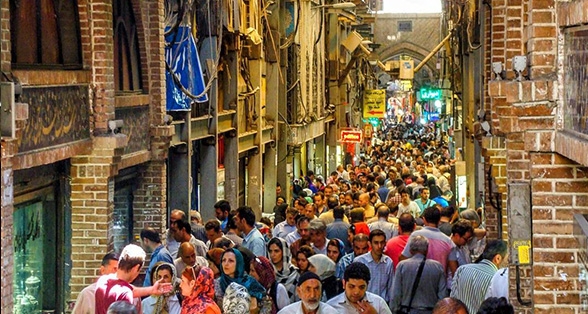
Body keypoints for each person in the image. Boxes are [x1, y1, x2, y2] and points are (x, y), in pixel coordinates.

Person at [95, 244, 169, 314]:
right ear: (136, 268)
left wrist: (152, 290)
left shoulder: (103, 280)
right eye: (139, 270)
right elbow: (127, 291)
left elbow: (130, 289)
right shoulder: (126, 294)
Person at [391, 236, 447, 314]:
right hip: (430, 311)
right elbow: (442, 295)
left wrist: (394, 310)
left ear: (410, 250)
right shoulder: (437, 267)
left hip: (407, 310)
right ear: (426, 250)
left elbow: (396, 293)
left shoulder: (402, 265)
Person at [451, 240, 508, 314]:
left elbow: (452, 299)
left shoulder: (462, 269)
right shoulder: (497, 279)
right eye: (507, 259)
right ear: (498, 258)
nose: (508, 263)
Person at [400, 206, 454, 273]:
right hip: (439, 280)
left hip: (418, 278)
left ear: (424, 219)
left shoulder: (416, 235)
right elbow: (453, 267)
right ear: (439, 220)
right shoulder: (448, 241)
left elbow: (404, 258)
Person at [327, 262, 392, 314]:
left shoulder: (378, 303)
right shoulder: (331, 307)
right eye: (351, 287)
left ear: (367, 285)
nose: (356, 292)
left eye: (361, 287)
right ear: (344, 284)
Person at [353, 229, 394, 304]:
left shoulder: (388, 262)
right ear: (369, 244)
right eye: (376, 243)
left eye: (382, 243)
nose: (379, 246)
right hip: (363, 304)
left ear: (385, 243)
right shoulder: (359, 261)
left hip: (382, 305)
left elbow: (390, 288)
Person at [447, 220, 474, 291]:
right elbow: (455, 274)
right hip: (455, 287)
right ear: (456, 235)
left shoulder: (463, 245)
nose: (467, 241)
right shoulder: (451, 248)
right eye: (465, 239)